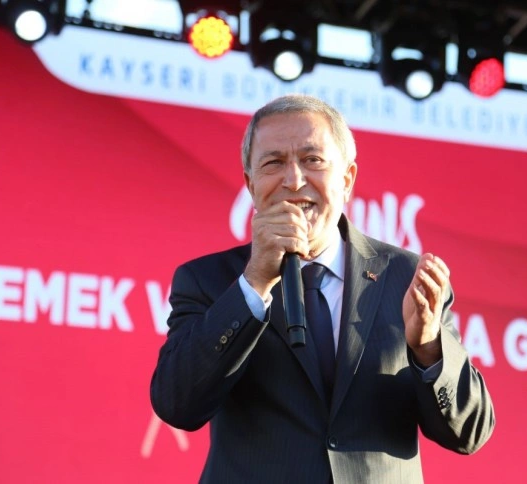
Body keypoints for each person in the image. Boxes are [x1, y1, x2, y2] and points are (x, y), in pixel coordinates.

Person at [150, 94, 494, 483]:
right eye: (273, 163)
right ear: (250, 184)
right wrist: (254, 283)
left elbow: (470, 432)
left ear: (346, 179)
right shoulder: (209, 280)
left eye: (312, 160)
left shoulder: (405, 276)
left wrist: (429, 349)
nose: (294, 180)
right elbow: (177, 403)